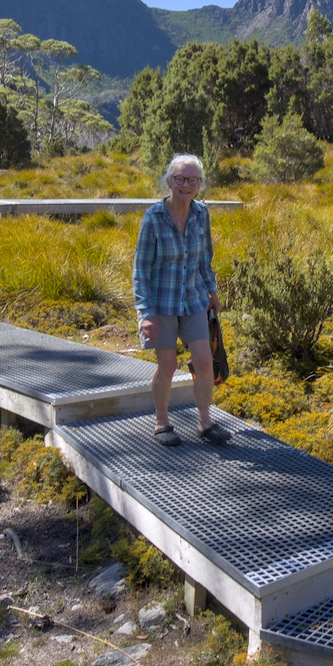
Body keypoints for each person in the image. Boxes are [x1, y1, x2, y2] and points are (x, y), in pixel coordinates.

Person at [133, 153, 228, 446]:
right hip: (162, 304)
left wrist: (212, 291)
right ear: (169, 181)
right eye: (180, 179)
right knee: (169, 365)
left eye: (191, 180)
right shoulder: (154, 217)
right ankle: (162, 422)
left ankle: (205, 422)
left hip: (194, 300)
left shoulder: (201, 214)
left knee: (203, 361)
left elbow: (204, 259)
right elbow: (141, 270)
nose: (185, 185)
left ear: (199, 184)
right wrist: (145, 313)